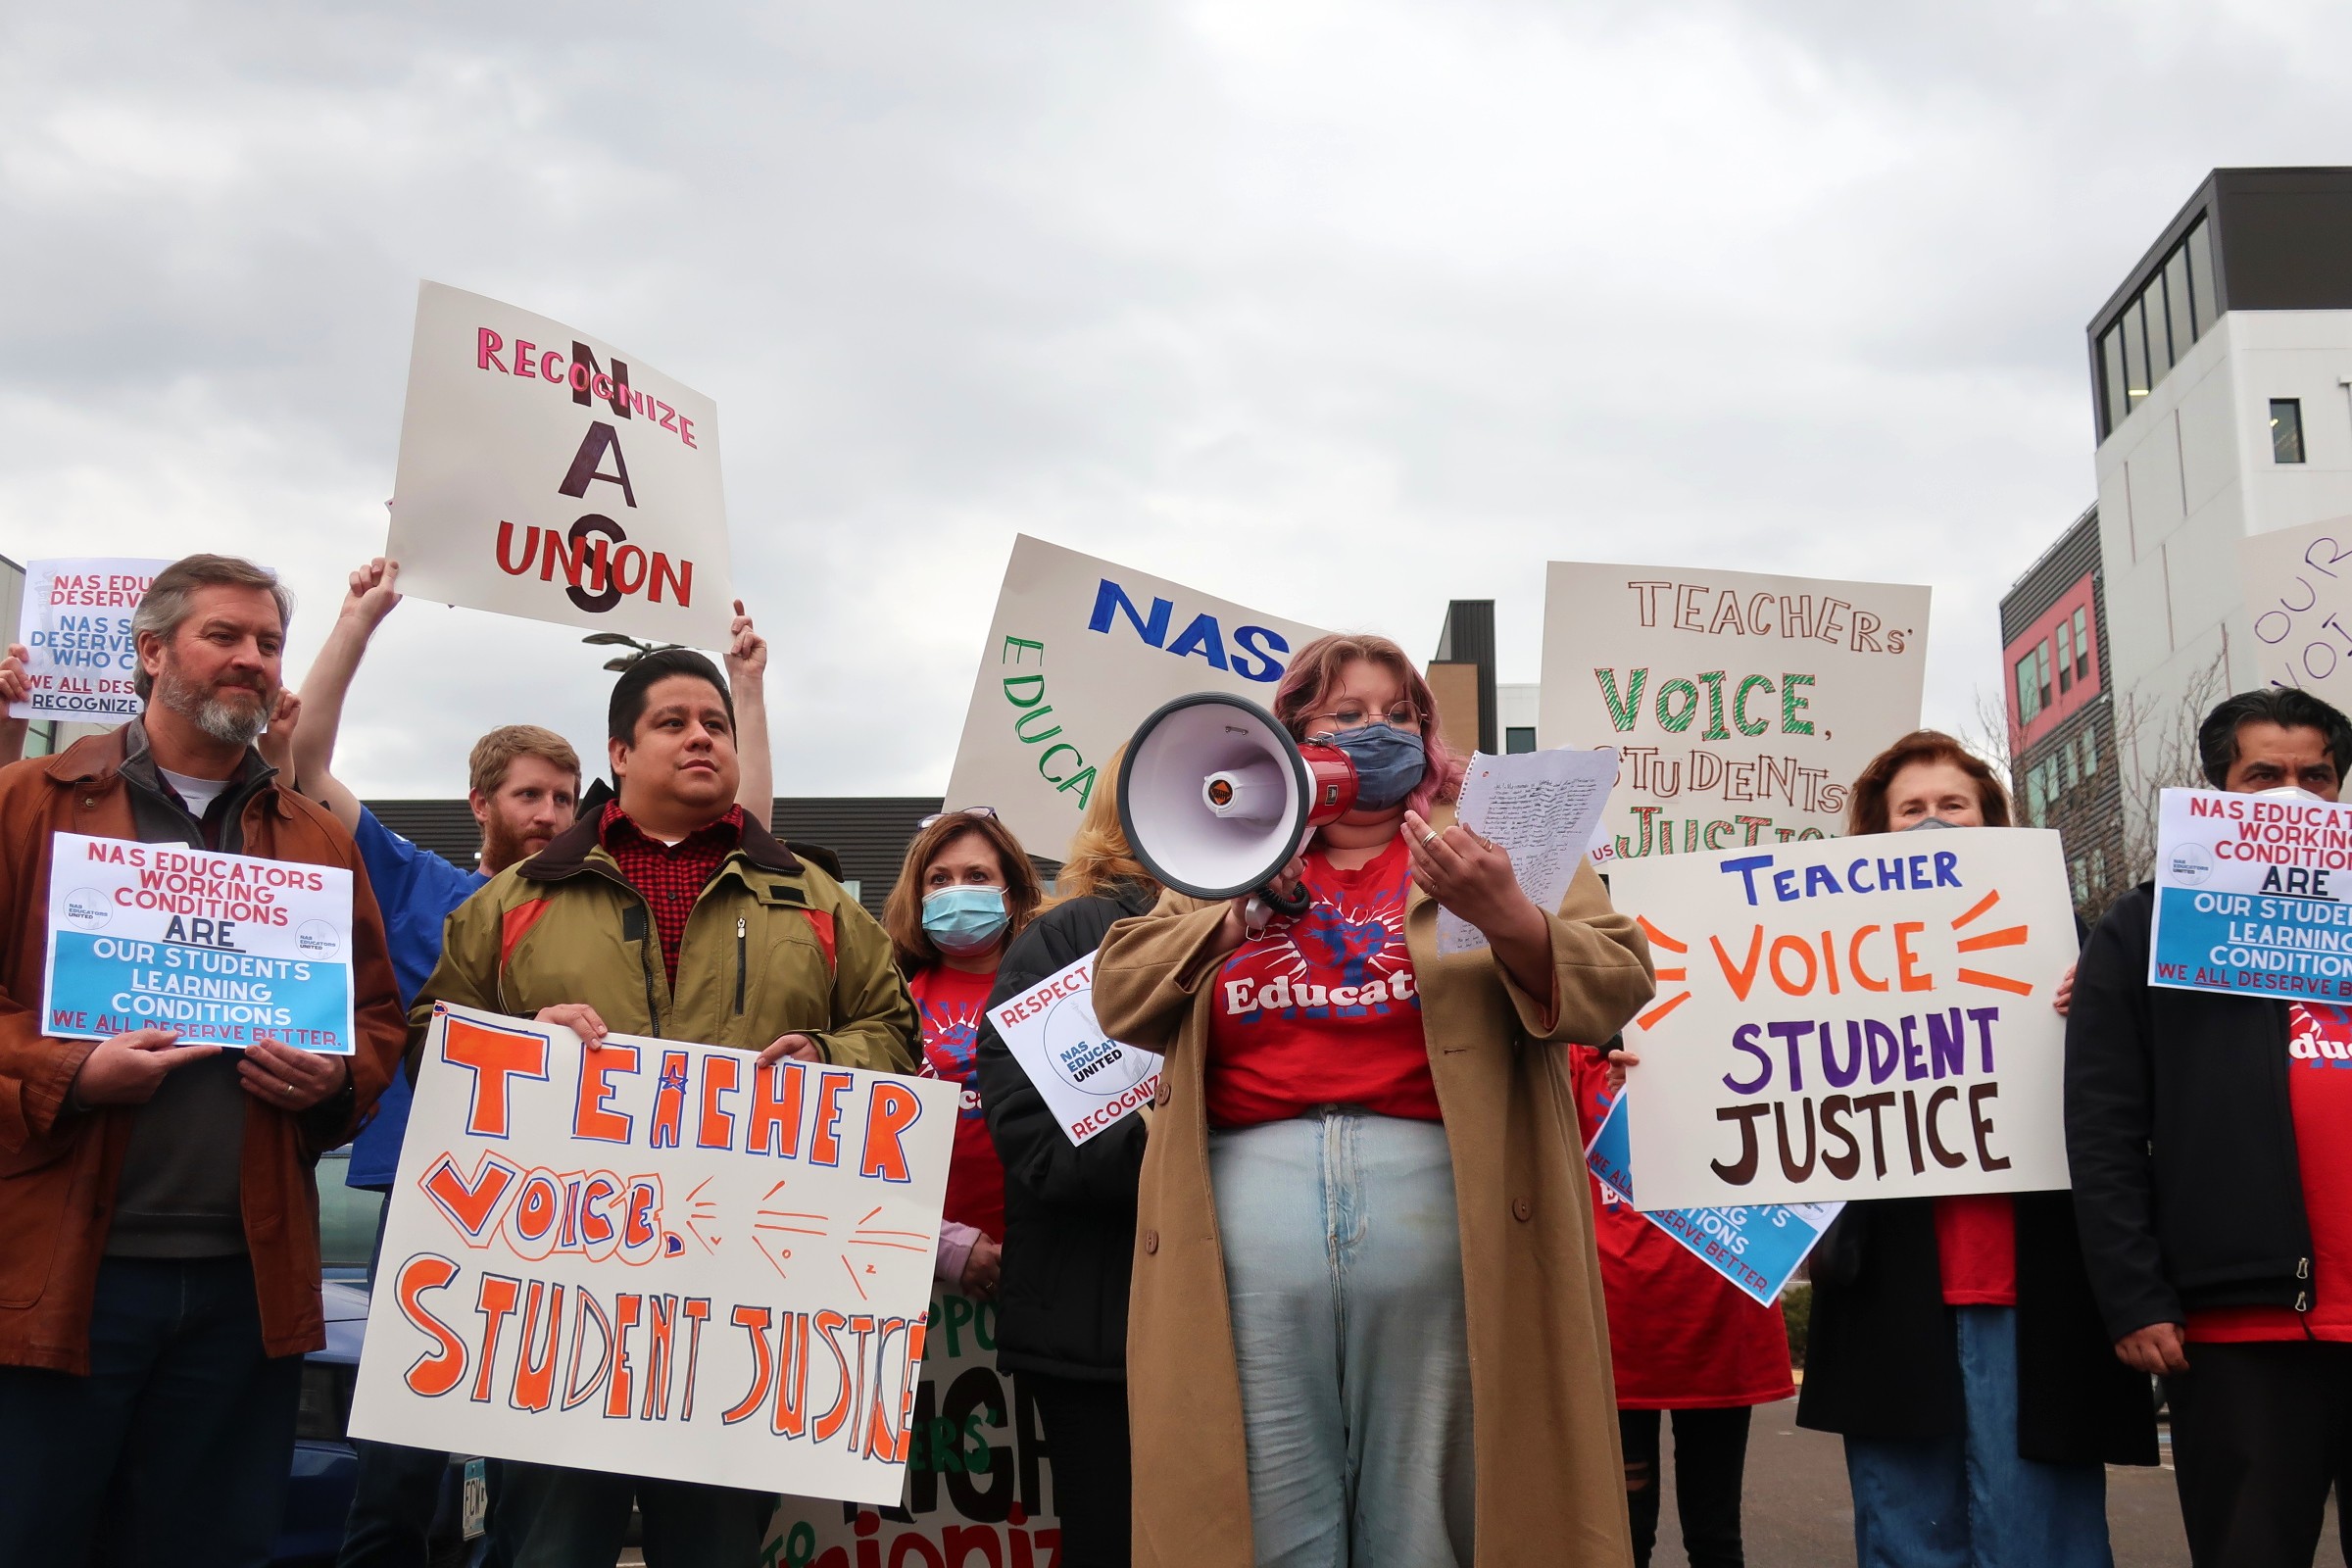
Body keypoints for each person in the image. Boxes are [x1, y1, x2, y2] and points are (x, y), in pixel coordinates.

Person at [1092, 632, 1657, 1568]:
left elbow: (1616, 983)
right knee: (1269, 1511)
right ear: (1291, 737)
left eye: (1400, 714)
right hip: (1247, 1220)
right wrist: (1231, 918)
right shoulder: (1223, 852)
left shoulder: (1501, 838)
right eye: (1347, 715)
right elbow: (1121, 997)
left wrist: (1509, 912)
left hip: (1442, 1211)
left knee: (1425, 1518)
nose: (1379, 732)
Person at [410, 646, 918, 1568]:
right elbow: (429, 1043)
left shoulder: (816, 902)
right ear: (619, 752)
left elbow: (893, 1031)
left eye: (716, 725)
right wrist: (525, 1039)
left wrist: (831, 1057)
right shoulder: (514, 902)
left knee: (718, 1549)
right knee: (552, 1549)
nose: (700, 739)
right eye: (673, 723)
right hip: (560, 1307)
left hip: (742, 1302)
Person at [0, 554, 408, 1565]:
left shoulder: (314, 837)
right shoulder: (27, 802)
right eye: (224, 636)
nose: (253, 659)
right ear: (150, 651)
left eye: (267, 643)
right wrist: (69, 1073)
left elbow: (376, 1020)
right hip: (61, 1278)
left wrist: (336, 1080)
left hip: (244, 1288)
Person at [1792, 729, 2153, 1568]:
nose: (1932, 823)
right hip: (1893, 1291)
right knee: (1910, 1536)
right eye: (1910, 810)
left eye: (1952, 805)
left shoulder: (2077, 946)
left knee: (2043, 1541)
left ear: (1992, 821)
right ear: (1877, 836)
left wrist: (2101, 1003)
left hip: (2040, 1289)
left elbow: (2137, 1092)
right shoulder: (1813, 961)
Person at [2069, 688, 2352, 1567]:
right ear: (2219, 791)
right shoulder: (2144, 930)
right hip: (2242, 1328)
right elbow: (2103, 1128)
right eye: (2263, 774)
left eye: (2317, 777)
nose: (2292, 794)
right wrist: (2136, 1294)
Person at [975, 746, 1159, 1568]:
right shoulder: (1071, 939)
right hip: (1100, 1329)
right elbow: (1042, 1147)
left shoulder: (1280, 929)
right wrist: (1180, 1137)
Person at [1568, 1046, 1791, 1568]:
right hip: (1616, 1332)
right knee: (1624, 1538)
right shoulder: (1577, 1060)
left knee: (1715, 1535)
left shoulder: (1740, 1051)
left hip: (1720, 1317)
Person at [882, 806, 1043, 1298]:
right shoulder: (889, 1004)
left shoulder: (1055, 993)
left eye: (977, 875)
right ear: (919, 897)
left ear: (1010, 894)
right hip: (922, 1272)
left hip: (1042, 1266)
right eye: (939, 879)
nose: (957, 891)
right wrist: (945, 1247)